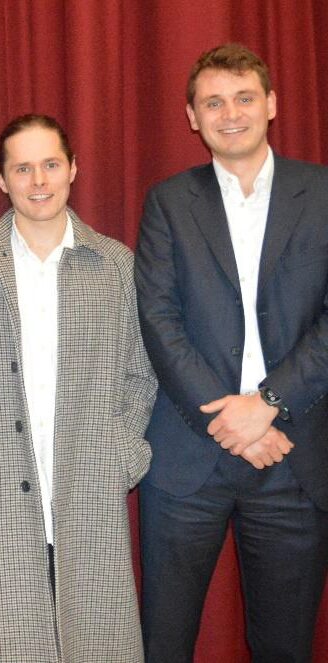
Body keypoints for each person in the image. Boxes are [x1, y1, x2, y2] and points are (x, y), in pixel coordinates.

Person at [0, 114, 156, 661]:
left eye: (51, 165)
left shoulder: (115, 267)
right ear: (0, 179)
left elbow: (140, 376)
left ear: (73, 169)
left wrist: (124, 454)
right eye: (23, 168)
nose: (38, 181)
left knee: (100, 640)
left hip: (91, 489)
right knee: (6, 642)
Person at [135, 43, 328, 662]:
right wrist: (233, 421)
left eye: (244, 97)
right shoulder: (168, 201)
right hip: (189, 459)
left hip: (293, 460)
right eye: (213, 102)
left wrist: (268, 405)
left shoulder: (322, 193)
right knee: (165, 644)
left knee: (284, 648)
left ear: (271, 104)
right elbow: (159, 321)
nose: (231, 113)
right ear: (192, 117)